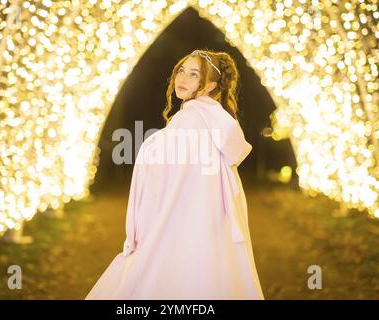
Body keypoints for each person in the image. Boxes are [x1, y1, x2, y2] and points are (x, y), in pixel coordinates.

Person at [85, 49, 264, 299]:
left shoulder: (191, 119)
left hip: (179, 219)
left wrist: (150, 148)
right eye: (182, 70)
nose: (183, 78)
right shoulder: (214, 120)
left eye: (194, 74)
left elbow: (168, 177)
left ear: (211, 85)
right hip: (209, 221)